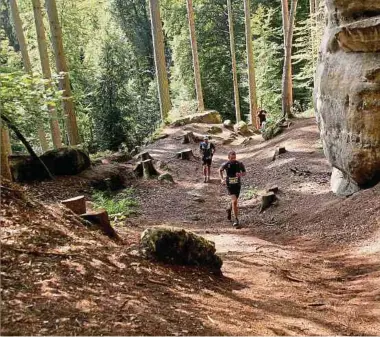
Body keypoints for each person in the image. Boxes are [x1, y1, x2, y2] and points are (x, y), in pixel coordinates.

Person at [219, 151, 246, 228]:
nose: (233, 159)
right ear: (228, 157)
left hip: (237, 185)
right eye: (231, 158)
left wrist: (240, 174)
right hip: (229, 185)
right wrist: (222, 179)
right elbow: (220, 170)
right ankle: (236, 219)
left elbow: (244, 172)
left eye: (234, 158)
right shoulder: (226, 164)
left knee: (234, 201)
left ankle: (229, 209)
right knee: (234, 202)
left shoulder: (239, 163)